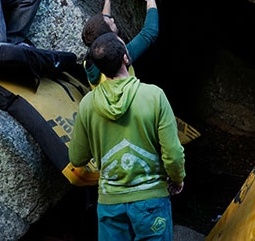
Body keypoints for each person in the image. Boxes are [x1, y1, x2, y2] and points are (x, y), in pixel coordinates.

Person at [69, 33, 185, 240]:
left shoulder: (87, 104)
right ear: (125, 58)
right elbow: (173, 153)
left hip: (110, 204)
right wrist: (177, 178)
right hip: (150, 202)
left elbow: (77, 158)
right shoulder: (154, 96)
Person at [81, 0, 158, 87]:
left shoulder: (91, 59)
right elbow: (149, 33)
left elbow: (103, 26)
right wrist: (151, 0)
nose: (112, 19)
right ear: (109, 37)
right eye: (111, 23)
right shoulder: (119, 56)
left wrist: (107, 0)